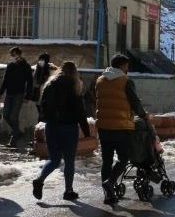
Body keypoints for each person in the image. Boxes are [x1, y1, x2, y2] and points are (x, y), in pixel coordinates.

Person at [32, 62, 91, 201]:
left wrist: (44, 120)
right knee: (69, 160)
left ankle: (39, 180)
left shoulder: (49, 84)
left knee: (54, 160)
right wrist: (86, 131)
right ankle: (68, 191)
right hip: (69, 128)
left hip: (51, 127)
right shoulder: (74, 86)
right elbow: (80, 111)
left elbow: (42, 106)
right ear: (75, 73)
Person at [95, 54, 148, 205]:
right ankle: (110, 182)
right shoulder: (126, 81)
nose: (127, 69)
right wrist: (143, 115)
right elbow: (135, 101)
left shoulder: (100, 80)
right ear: (123, 66)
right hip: (120, 126)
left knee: (106, 161)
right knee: (124, 158)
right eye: (126, 66)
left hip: (103, 126)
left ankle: (108, 195)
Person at [0, 47, 33, 147]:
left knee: (14, 116)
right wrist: (0, 92)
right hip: (9, 93)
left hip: (19, 94)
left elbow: (30, 82)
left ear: (19, 55)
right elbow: (5, 80)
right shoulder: (10, 66)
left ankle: (13, 139)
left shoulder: (26, 66)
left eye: (14, 55)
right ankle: (17, 131)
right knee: (6, 115)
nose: (12, 57)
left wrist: (28, 96)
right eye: (11, 55)